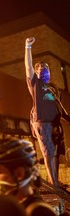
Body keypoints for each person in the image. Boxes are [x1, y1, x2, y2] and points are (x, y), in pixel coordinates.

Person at [24, 37, 70, 189]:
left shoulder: (53, 89)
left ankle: (54, 181)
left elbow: (59, 107)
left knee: (55, 153)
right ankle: (54, 183)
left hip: (55, 124)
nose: (45, 70)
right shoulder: (36, 85)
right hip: (43, 124)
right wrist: (28, 47)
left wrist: (66, 118)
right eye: (41, 68)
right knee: (48, 152)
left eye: (47, 68)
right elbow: (28, 67)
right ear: (36, 73)